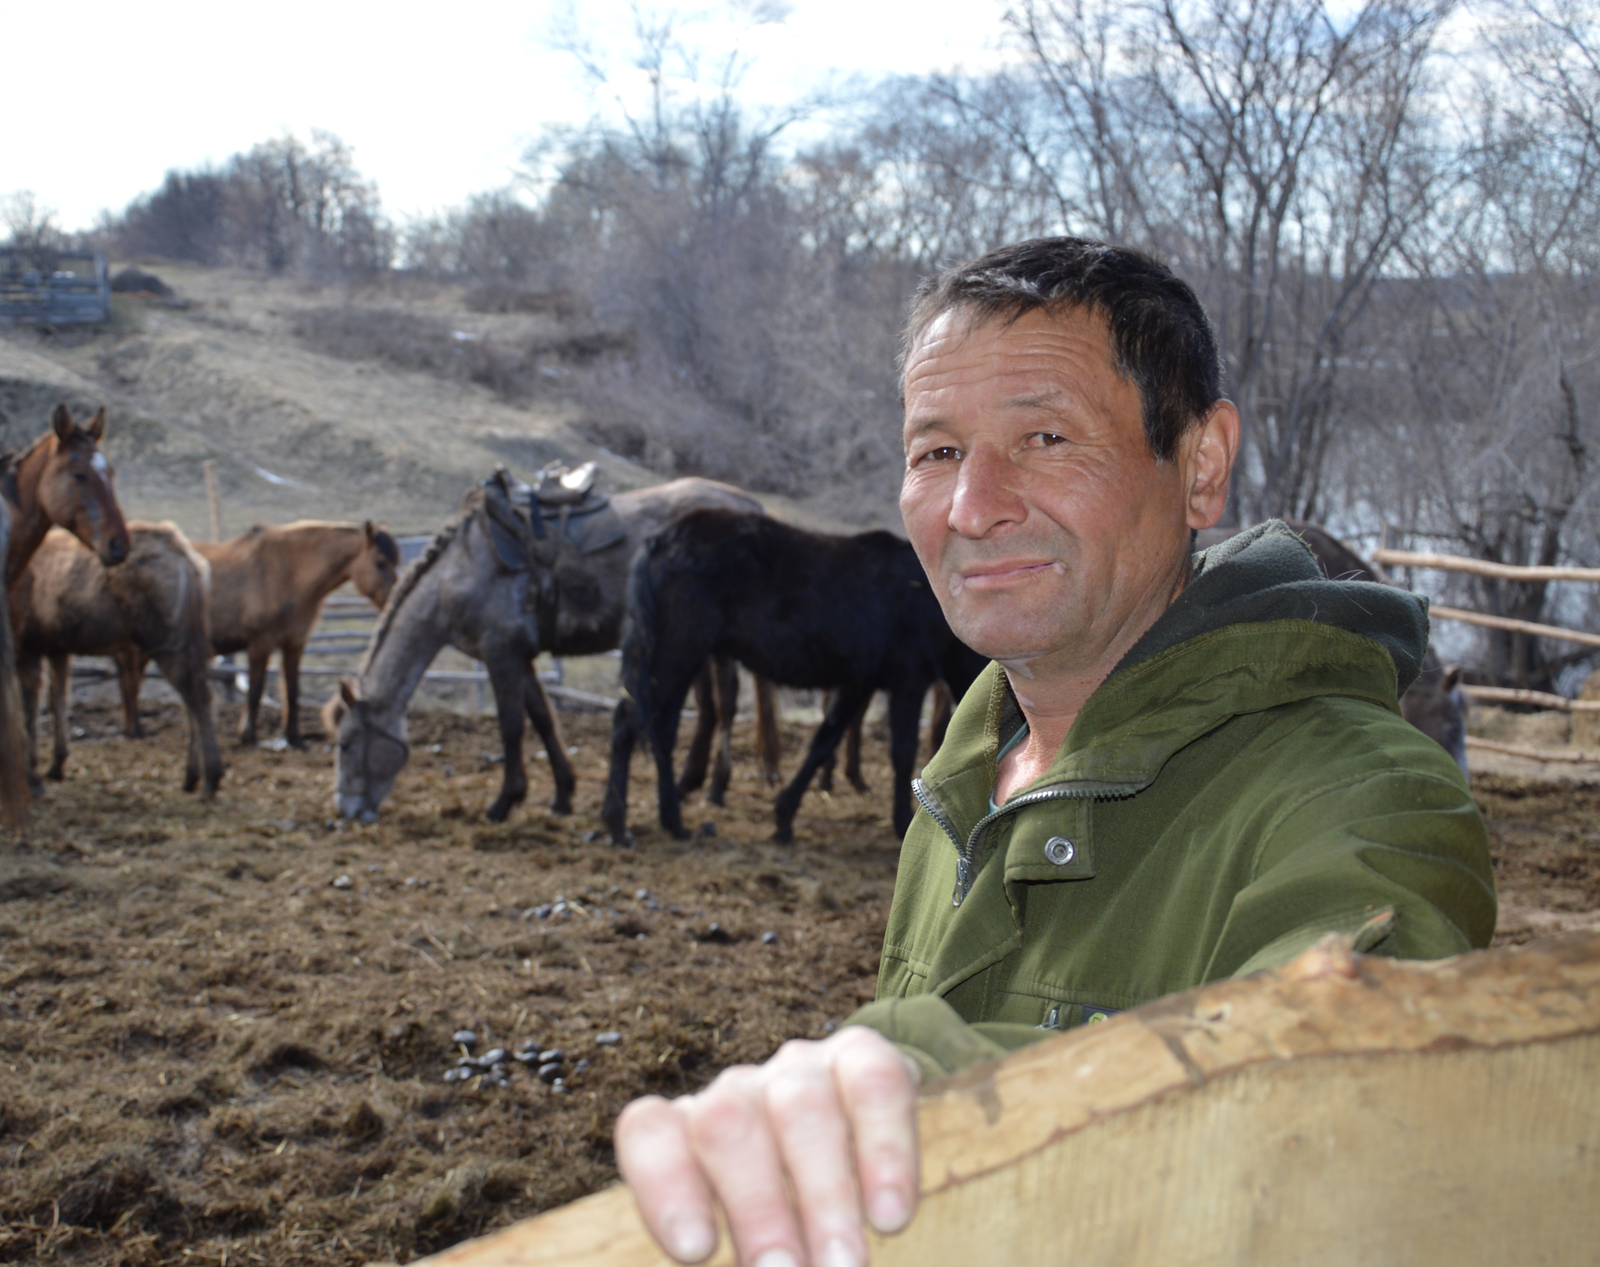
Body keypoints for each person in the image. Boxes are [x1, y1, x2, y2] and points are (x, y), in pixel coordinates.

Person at [614, 238, 1496, 1267]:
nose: (971, 506)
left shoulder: (1363, 796)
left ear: (1201, 465)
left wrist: (912, 1075)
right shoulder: (960, 785)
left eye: (1044, 437)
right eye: (935, 451)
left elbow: (1355, 1125)